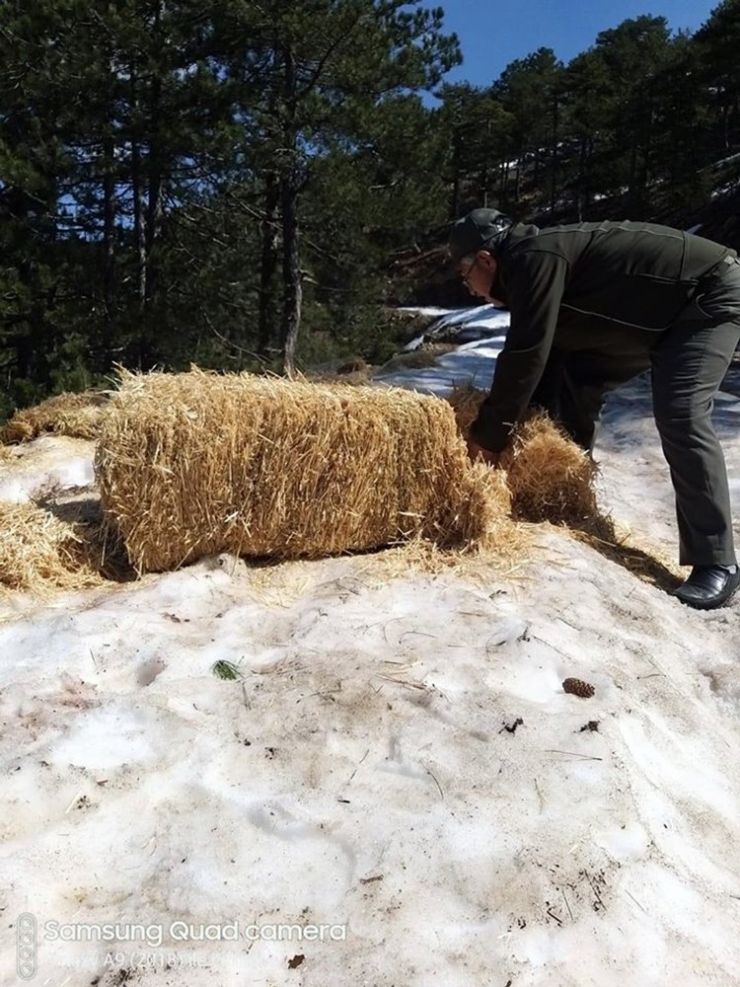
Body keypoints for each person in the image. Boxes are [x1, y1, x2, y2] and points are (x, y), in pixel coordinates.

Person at [448, 208, 740, 610]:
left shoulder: (534, 257)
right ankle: (565, 499)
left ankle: (716, 561)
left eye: (466, 279)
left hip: (706, 294)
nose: (472, 291)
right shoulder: (529, 264)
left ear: (485, 260)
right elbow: (546, 361)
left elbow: (526, 352)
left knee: (681, 412)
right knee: (575, 380)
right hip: (649, 317)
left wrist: (488, 437)